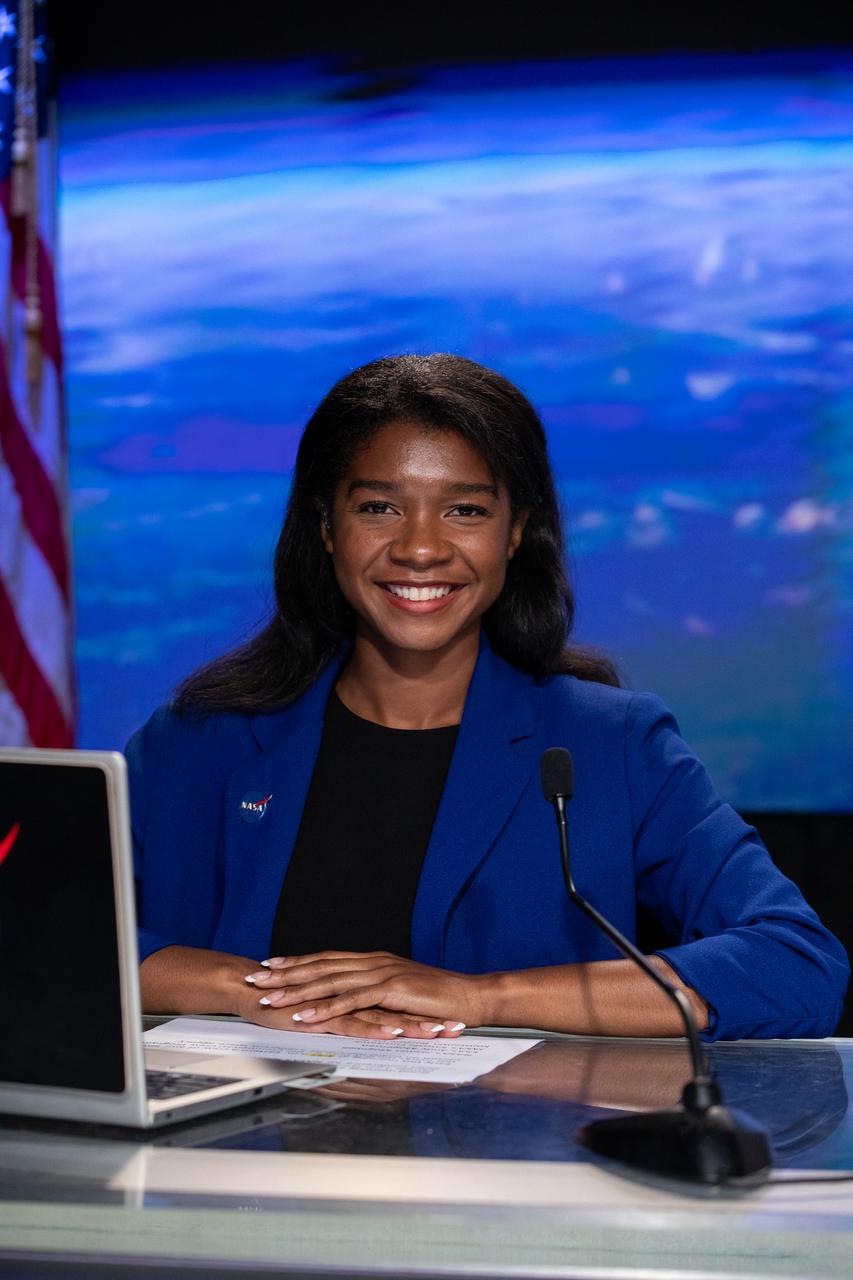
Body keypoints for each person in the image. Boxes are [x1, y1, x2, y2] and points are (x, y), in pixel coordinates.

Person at [127, 354, 848, 1042]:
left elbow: (796, 966)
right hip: (239, 1161)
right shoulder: (199, 739)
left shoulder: (610, 745)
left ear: (516, 531)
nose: (419, 548)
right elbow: (46, 939)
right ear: (324, 527)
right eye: (378, 507)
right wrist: (250, 991)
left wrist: (477, 996)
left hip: (512, 1158)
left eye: (464, 512)